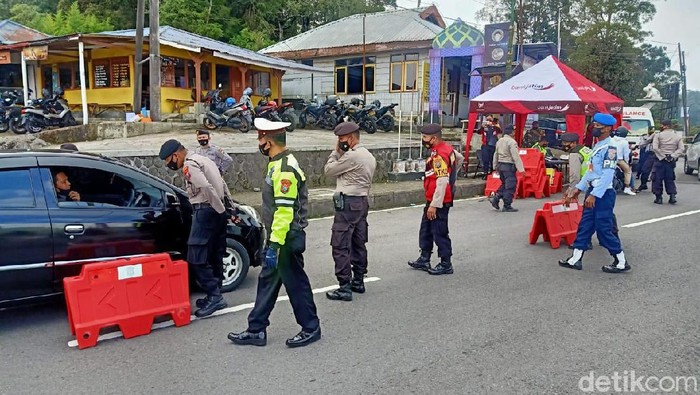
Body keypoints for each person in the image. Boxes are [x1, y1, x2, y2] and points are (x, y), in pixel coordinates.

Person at [228, 117, 321, 348]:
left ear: (268, 141)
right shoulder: (277, 163)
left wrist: (275, 245)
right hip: (281, 237)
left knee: (296, 284)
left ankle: (311, 328)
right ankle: (256, 329)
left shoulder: (284, 169)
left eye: (260, 138)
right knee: (268, 281)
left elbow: (284, 212)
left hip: (286, 238)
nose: (259, 143)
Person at [159, 139, 229, 317]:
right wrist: (227, 208)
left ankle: (215, 296)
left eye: (169, 161)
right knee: (214, 254)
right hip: (216, 210)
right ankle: (215, 292)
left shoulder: (190, 165)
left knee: (195, 255)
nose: (171, 165)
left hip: (206, 210)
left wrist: (218, 209)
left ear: (176, 155)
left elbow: (205, 186)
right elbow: (222, 183)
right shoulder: (203, 158)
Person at [558, 113, 630, 274]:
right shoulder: (598, 146)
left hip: (603, 194)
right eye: (594, 125)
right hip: (594, 190)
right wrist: (578, 189)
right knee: (585, 226)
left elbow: (607, 174)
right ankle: (575, 259)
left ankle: (620, 261)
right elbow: (590, 172)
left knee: (604, 228)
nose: (594, 128)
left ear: (607, 128)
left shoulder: (610, 148)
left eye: (598, 126)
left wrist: (594, 195)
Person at [323, 122, 377, 302]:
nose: (339, 142)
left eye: (341, 139)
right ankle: (359, 280)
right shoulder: (368, 155)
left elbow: (329, 170)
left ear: (351, 138)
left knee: (340, 244)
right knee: (358, 242)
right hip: (361, 202)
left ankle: (344, 286)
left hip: (348, 203)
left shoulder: (352, 156)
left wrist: (335, 152)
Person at [407, 123, 463, 275]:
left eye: (425, 137)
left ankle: (446, 263)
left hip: (439, 200)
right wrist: (453, 175)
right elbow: (459, 158)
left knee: (439, 231)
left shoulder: (439, 155)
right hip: (433, 198)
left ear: (433, 138)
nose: (423, 140)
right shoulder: (446, 148)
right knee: (426, 229)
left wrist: (434, 205)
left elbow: (442, 180)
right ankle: (424, 258)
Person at [489, 125, 525, 212]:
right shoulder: (512, 142)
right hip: (509, 166)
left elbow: (495, 154)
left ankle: (496, 198)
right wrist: (521, 169)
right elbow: (515, 156)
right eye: (513, 131)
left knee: (504, 184)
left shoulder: (499, 141)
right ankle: (507, 205)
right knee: (510, 186)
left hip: (500, 166)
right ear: (511, 132)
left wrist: (495, 166)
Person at [651, 119, 685, 204]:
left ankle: (659, 198)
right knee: (669, 178)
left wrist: (662, 156)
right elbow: (681, 148)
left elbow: (655, 148)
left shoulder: (658, 135)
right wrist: (672, 156)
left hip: (659, 160)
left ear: (665, 126)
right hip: (671, 161)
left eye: (661, 125)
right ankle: (672, 196)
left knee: (657, 179)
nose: (661, 126)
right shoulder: (677, 136)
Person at [612, 127, 636, 195]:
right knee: (628, 171)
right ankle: (627, 188)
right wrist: (627, 162)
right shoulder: (624, 142)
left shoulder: (611, 140)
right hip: (619, 160)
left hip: (610, 159)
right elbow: (626, 154)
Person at [635, 126, 656, 192]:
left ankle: (657, 191)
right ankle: (644, 184)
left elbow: (647, 141)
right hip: (649, 154)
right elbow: (646, 141)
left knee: (657, 173)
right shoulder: (652, 135)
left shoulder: (656, 135)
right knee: (644, 169)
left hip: (656, 154)